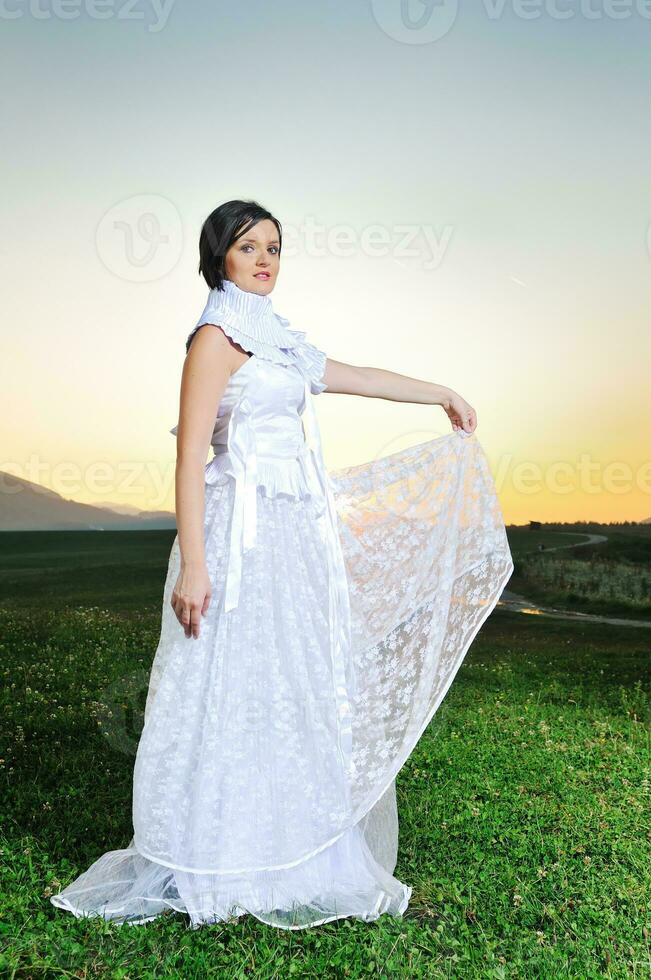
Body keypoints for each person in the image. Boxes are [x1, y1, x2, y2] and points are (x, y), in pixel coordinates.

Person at [50, 199, 514, 930]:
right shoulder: (214, 338)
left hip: (294, 537)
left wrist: (438, 392)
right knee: (230, 683)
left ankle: (294, 848)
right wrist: (194, 567)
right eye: (248, 247)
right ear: (219, 257)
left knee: (292, 679)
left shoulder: (276, 338)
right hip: (239, 534)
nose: (264, 259)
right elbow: (189, 460)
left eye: (273, 247)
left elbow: (353, 373)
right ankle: (220, 853)